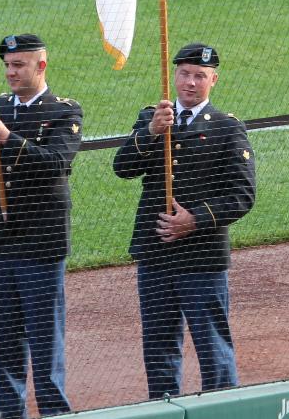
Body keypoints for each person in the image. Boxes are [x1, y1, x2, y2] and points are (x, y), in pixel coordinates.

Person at [114, 43, 256, 398]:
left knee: (213, 347)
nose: (190, 83)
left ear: (214, 80)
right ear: (173, 75)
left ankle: (223, 409)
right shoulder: (153, 117)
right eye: (184, 74)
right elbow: (122, 168)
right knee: (159, 346)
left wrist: (195, 220)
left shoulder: (227, 128)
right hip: (155, 254)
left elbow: (242, 195)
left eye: (199, 76)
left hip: (202, 257)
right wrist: (150, 133)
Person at [0, 33, 83, 419]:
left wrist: (9, 139)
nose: (11, 72)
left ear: (40, 66)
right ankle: (8, 410)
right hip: (0, 238)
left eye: (19, 65)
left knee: (45, 334)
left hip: (41, 240)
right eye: (7, 66)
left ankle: (53, 410)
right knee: (4, 334)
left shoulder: (65, 111)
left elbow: (58, 163)